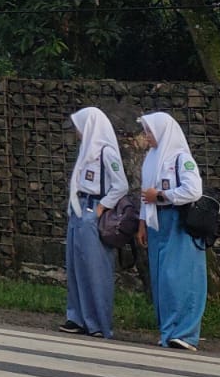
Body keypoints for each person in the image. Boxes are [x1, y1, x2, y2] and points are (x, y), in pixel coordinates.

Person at [137, 111, 208, 351]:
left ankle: (186, 333)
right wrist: (142, 223)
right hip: (158, 221)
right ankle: (168, 330)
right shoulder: (151, 158)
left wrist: (161, 195)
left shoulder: (180, 158)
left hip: (178, 220)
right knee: (162, 278)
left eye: (149, 131)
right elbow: (143, 194)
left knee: (180, 276)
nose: (146, 136)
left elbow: (193, 190)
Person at [58, 107, 127, 339]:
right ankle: (77, 317)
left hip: (93, 209)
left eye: (79, 126)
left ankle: (97, 322)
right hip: (79, 208)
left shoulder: (106, 152)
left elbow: (121, 185)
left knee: (95, 269)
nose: (76, 131)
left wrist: (100, 208)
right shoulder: (85, 150)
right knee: (76, 266)